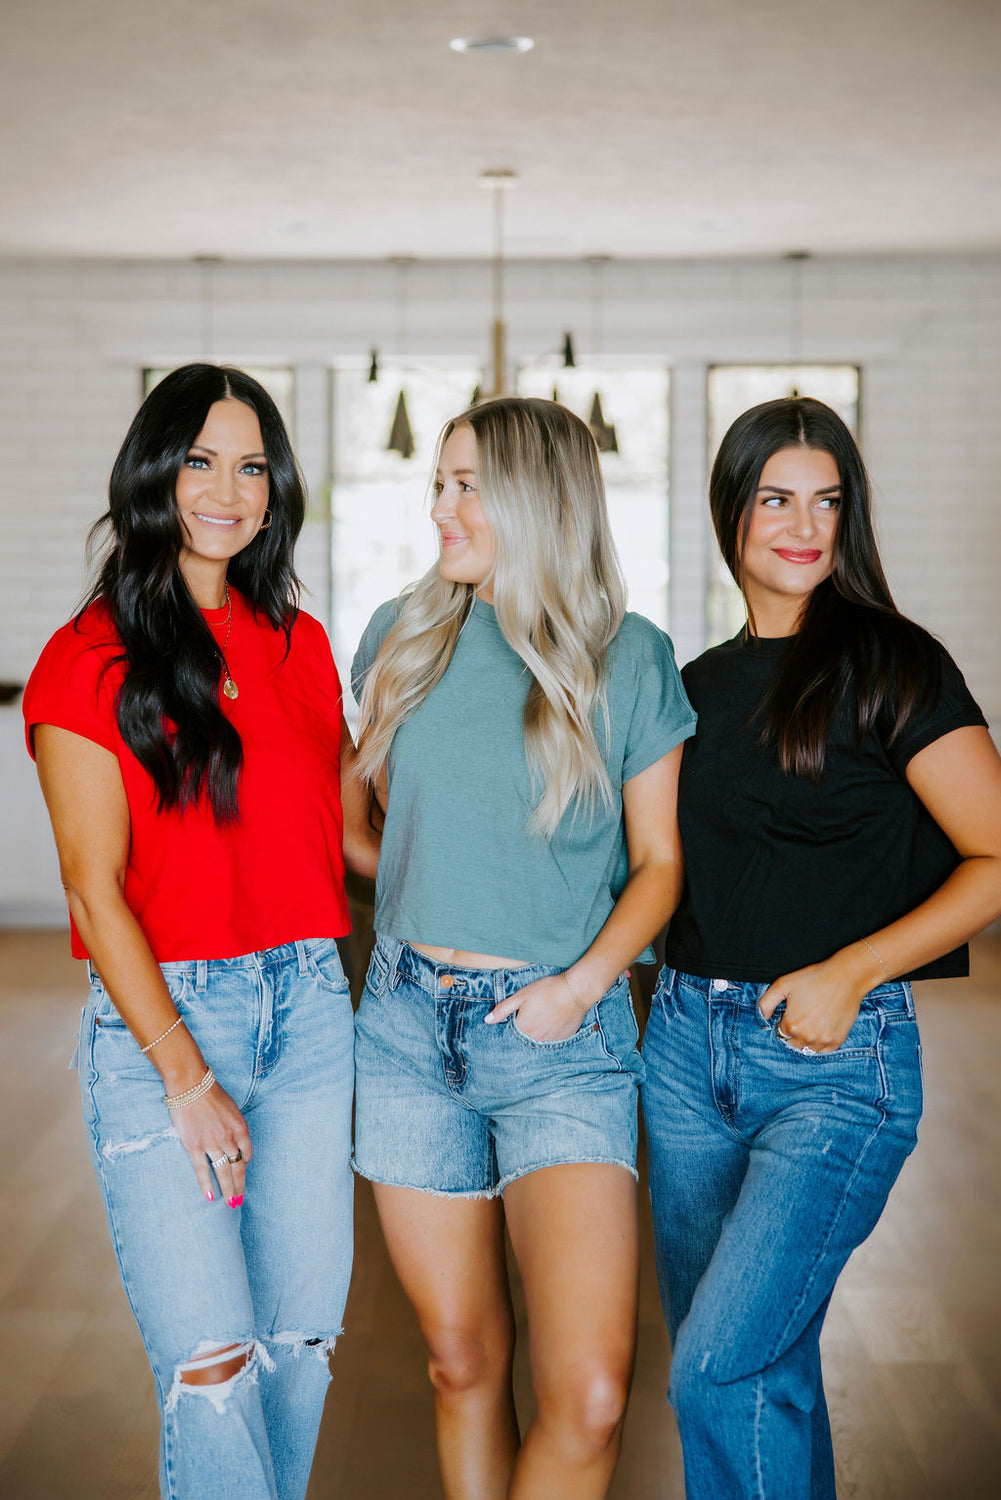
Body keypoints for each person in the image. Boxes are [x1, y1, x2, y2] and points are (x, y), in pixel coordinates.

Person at [23, 364, 378, 1500]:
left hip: (311, 1013)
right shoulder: (85, 658)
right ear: (152, 475)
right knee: (213, 1368)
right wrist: (184, 1075)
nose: (227, 491)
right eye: (200, 462)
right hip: (165, 1026)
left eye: (252, 466)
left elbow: (354, 843)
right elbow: (93, 893)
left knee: (298, 1349)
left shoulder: (301, 644)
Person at [641, 396, 1001, 1499]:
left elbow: (994, 854)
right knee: (760, 1371)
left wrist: (852, 969)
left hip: (835, 1069)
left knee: (716, 1368)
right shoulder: (693, 688)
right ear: (730, 511)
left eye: (826, 501)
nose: (803, 527)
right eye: (775, 499)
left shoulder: (894, 664)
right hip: (682, 1058)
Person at [350, 396, 695, 1499]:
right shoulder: (401, 634)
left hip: (561, 1038)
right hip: (405, 1033)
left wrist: (579, 986)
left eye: (466, 486)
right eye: (437, 483)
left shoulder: (629, 656)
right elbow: (369, 827)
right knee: (459, 1364)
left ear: (538, 498)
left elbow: (660, 866)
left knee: (589, 1399)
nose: (439, 508)